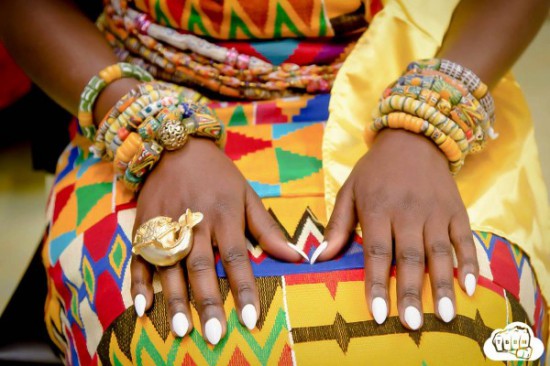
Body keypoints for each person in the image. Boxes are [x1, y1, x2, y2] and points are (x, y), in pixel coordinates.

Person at [1, 0, 549, 364]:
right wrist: (154, 133)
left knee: (486, 332)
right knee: (153, 339)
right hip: (143, 98)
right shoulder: (150, 123)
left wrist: (427, 124)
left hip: (411, 84)